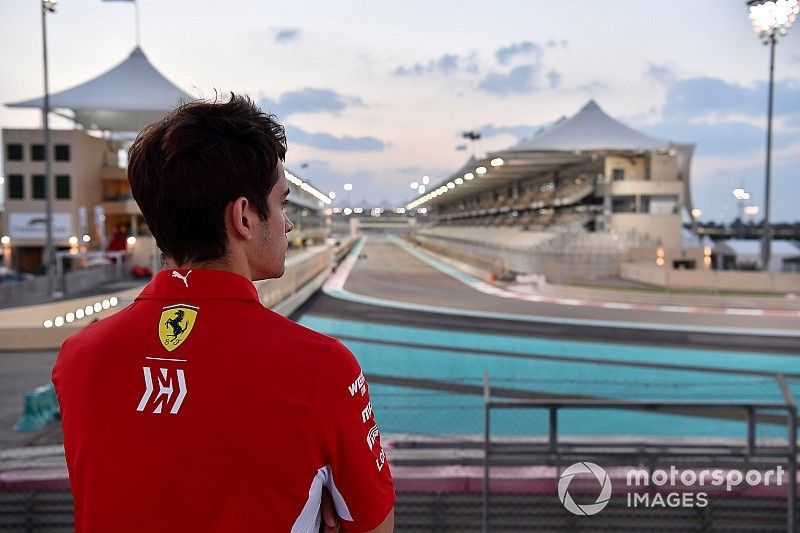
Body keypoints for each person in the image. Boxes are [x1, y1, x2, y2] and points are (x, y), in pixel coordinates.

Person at [52, 95, 395, 532]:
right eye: (281, 203)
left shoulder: (78, 358)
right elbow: (376, 526)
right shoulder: (323, 368)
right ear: (244, 217)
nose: (288, 223)